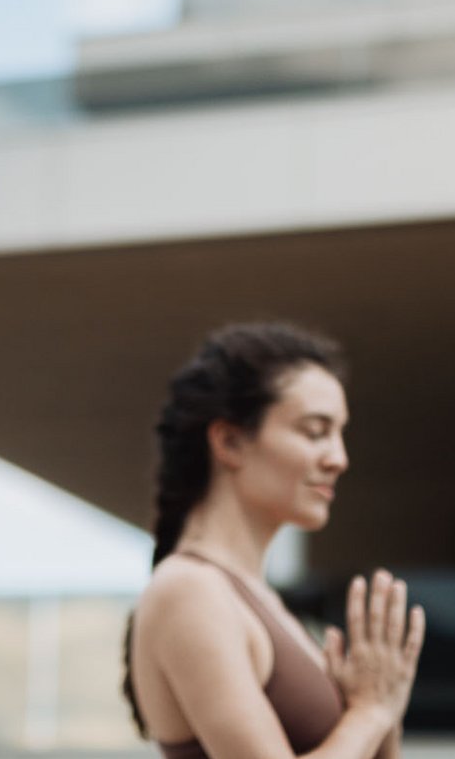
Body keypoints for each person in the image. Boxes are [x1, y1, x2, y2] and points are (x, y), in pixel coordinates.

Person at [124, 323, 425, 758]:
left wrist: (381, 710)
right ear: (230, 441)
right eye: (314, 431)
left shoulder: (262, 602)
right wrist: (371, 712)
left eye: (340, 434)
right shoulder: (189, 590)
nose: (339, 459)